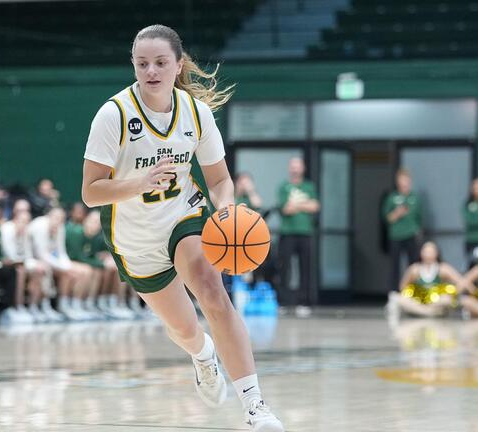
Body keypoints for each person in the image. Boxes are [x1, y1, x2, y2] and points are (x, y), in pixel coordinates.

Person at [81, 24, 283, 431]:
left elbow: (220, 181)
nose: (150, 71)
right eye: (142, 64)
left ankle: (255, 406)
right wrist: (140, 182)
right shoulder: (114, 114)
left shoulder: (195, 113)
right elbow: (90, 193)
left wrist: (224, 213)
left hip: (183, 216)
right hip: (133, 237)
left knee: (212, 291)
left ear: (178, 65)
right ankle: (203, 356)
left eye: (159, 63)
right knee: (184, 329)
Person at [29, 207, 92, 321]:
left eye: (61, 219)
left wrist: (67, 267)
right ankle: (43, 306)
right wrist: (65, 268)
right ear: (49, 216)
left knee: (82, 271)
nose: (58, 221)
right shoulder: (39, 226)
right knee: (46, 269)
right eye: (56, 218)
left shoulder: (60, 227)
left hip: (50, 261)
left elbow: (61, 252)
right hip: (33, 259)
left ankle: (69, 305)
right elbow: (42, 255)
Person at [277, 157, 320, 317]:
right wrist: (304, 205)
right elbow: (285, 209)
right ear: (290, 169)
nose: (295, 169)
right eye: (292, 166)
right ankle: (283, 302)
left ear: (303, 168)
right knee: (284, 269)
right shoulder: (284, 187)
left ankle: (304, 302)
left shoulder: (309, 186)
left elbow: (315, 206)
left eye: (298, 166)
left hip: (305, 232)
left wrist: (297, 205)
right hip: (287, 233)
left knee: (305, 268)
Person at [0, 199, 50, 324]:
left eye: (26, 222)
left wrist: (36, 264)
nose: (24, 224)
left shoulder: (27, 232)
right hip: (8, 263)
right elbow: (9, 254)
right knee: (20, 271)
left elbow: (27, 255)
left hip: (23, 262)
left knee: (40, 269)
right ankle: (18, 307)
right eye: (22, 221)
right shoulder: (7, 228)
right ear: (15, 216)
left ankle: (34, 307)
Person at [387, 241, 467, 318]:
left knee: (446, 299)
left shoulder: (443, 268)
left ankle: (423, 312)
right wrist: (415, 293)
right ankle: (428, 312)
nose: (428, 255)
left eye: (431, 251)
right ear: (421, 252)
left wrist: (451, 292)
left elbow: (461, 282)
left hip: (436, 301)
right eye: (426, 251)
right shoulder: (415, 269)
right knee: (397, 298)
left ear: (437, 253)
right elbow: (402, 287)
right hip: (419, 301)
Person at [383, 169, 422, 291]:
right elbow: (387, 218)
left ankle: (413, 291)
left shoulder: (415, 198)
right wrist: (397, 213)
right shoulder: (392, 198)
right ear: (398, 181)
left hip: (411, 234)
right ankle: (393, 292)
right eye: (402, 179)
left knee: (413, 265)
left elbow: (419, 218)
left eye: (407, 179)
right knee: (394, 266)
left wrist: (418, 232)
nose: (405, 182)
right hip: (396, 235)